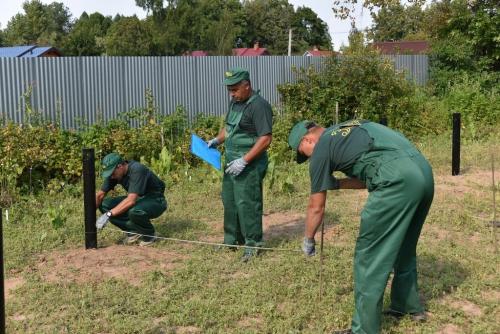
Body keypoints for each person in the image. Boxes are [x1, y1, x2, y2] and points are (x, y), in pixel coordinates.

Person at [288, 119, 434, 334]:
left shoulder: (321, 148)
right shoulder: (348, 129)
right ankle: (407, 305)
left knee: (369, 256)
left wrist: (308, 238)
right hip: (423, 173)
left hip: (397, 181)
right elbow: (368, 177)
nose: (309, 157)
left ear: (308, 139)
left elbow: (316, 207)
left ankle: (364, 330)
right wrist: (337, 183)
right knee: (404, 244)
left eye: (304, 152)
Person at [207, 67, 273, 262]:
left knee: (247, 203)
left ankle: (253, 244)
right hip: (231, 160)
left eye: (235, 89)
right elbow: (229, 128)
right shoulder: (235, 102)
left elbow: (266, 139)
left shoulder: (259, 106)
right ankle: (232, 239)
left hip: (249, 163)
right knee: (230, 201)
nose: (232, 93)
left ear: (247, 85)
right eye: (229, 90)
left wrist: (245, 160)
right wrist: (216, 141)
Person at [95, 152, 167, 246]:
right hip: (139, 199)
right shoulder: (114, 173)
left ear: (120, 166)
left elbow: (131, 200)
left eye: (112, 173)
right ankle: (132, 232)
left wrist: (108, 214)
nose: (111, 176)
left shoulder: (137, 169)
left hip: (155, 199)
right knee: (105, 204)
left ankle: (150, 236)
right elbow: (100, 195)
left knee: (135, 211)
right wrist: (90, 217)